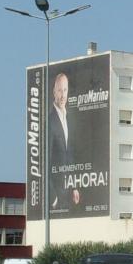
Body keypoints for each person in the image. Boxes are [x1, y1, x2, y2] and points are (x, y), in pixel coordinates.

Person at [48, 71, 81, 210]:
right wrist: (52, 197)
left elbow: (69, 155)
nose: (63, 95)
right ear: (54, 92)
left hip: (68, 193)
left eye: (65, 90)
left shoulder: (68, 118)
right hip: (56, 196)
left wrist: (74, 187)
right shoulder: (50, 121)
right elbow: (45, 163)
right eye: (60, 90)